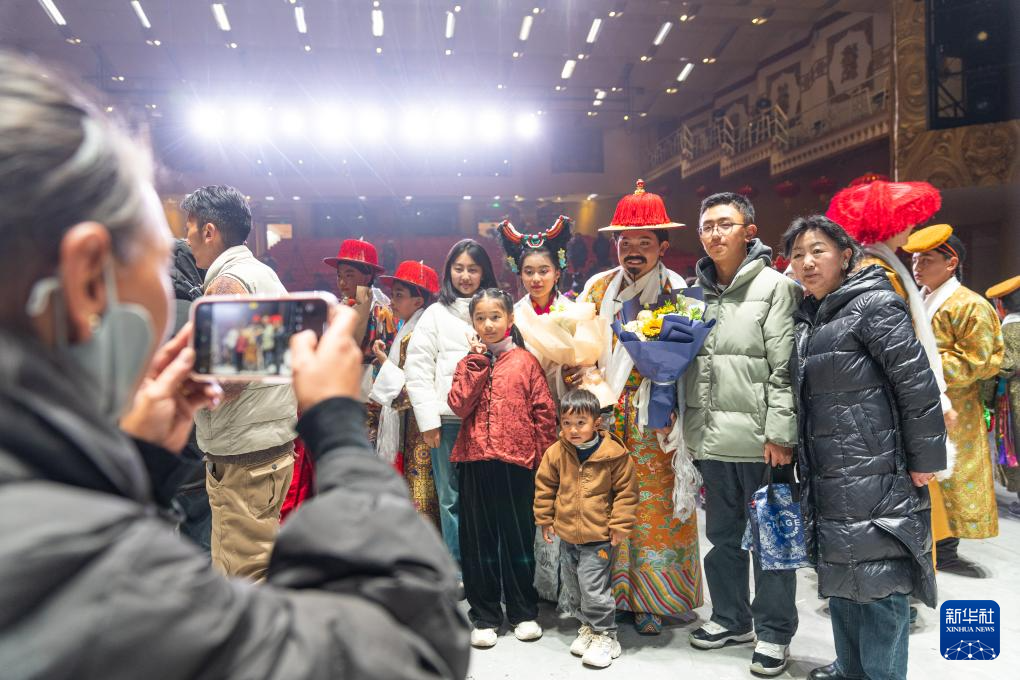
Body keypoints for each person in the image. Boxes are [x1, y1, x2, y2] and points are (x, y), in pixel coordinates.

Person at [0, 50, 469, 678]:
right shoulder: (114, 579)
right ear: (87, 279)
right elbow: (410, 648)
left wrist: (138, 468)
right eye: (157, 255)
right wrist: (336, 430)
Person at [783, 215, 946, 680]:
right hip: (828, 467)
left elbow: (916, 385)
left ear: (845, 255)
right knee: (843, 571)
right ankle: (850, 667)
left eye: (818, 250)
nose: (807, 262)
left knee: (879, 578)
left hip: (876, 466)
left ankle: (882, 674)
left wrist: (925, 460)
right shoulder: (812, 314)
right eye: (798, 254)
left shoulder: (875, 304)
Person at [576, 179, 703, 635]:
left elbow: (688, 359)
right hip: (604, 413)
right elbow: (580, 347)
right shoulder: (596, 289)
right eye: (625, 242)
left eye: (644, 243)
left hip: (655, 417)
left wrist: (673, 406)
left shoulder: (677, 290)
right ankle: (607, 597)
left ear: (663, 247)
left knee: (653, 508)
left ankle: (653, 601)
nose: (633, 251)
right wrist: (583, 377)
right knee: (604, 505)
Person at [683, 192, 800, 676]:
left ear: (749, 231)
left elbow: (784, 368)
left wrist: (780, 433)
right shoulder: (692, 294)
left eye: (725, 224)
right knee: (722, 536)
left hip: (761, 443)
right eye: (707, 225)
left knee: (772, 541)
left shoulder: (777, 287)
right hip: (711, 439)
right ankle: (731, 618)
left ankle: (773, 632)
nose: (714, 233)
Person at [826, 179, 958, 570]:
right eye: (905, 220)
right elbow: (904, 352)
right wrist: (934, 400)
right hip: (889, 405)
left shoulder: (866, 265)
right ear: (887, 224)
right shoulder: (882, 272)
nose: (911, 227)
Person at [182, 185, 298, 581]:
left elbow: (229, 380)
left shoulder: (227, 283)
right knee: (259, 562)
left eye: (189, 228)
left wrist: (180, 383)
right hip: (268, 442)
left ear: (209, 231)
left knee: (243, 575)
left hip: (242, 454)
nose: (187, 238)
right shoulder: (263, 274)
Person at [446, 288, 558, 648]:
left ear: (510, 318)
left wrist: (545, 464)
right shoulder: (469, 362)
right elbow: (459, 405)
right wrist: (477, 362)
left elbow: (544, 414)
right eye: (480, 318)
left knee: (517, 539)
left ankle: (523, 611)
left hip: (517, 463)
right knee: (478, 540)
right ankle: (485, 615)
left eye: (495, 316)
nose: (488, 324)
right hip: (475, 460)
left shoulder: (526, 362)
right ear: (472, 322)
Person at [904, 224, 1004, 574]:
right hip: (921, 400)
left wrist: (922, 366)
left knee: (952, 474)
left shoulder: (970, 304)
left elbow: (981, 359)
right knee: (925, 473)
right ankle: (928, 544)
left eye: (927, 259)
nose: (917, 266)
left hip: (956, 405)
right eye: (915, 259)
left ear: (951, 263)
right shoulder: (918, 298)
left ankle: (946, 549)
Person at [496, 215, 576, 603]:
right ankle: (530, 580)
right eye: (528, 271)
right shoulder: (511, 316)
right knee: (530, 500)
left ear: (558, 270)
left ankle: (568, 581)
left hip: (569, 419)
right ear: (519, 273)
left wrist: (580, 373)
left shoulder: (575, 312)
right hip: (525, 423)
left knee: (569, 499)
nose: (536, 278)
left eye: (544, 270)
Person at [405, 240, 498, 567]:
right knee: (450, 498)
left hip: (488, 420)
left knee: (487, 496)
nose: (466, 276)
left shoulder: (495, 309)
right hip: (447, 423)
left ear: (484, 271)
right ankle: (458, 569)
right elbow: (417, 369)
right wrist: (429, 421)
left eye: (473, 269)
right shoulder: (435, 313)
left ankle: (486, 568)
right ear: (448, 271)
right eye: (459, 268)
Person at [533, 389, 638, 669]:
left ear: (596, 423)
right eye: (567, 423)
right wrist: (545, 519)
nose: (573, 430)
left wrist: (620, 525)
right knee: (574, 587)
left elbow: (627, 492)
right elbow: (545, 487)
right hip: (568, 535)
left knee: (593, 587)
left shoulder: (614, 455)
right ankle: (589, 628)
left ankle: (606, 635)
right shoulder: (556, 452)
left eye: (581, 423)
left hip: (599, 537)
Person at [369, 260, 442, 526]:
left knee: (421, 490)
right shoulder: (409, 327)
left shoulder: (418, 333)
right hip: (414, 422)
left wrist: (383, 361)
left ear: (418, 301)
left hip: (421, 425)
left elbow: (409, 388)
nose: (392, 301)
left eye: (399, 295)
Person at [322, 237, 396, 442]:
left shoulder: (381, 311)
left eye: (349, 275)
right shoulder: (341, 306)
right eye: (339, 275)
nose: (342, 282)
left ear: (368, 275)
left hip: (368, 399)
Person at [986, 275, 1020, 516]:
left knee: (1015, 445)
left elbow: (1001, 367)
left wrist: (986, 399)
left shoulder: (1006, 330)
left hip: (1014, 396)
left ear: (1000, 305)